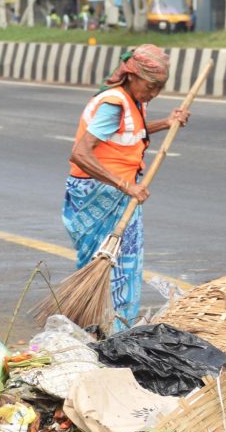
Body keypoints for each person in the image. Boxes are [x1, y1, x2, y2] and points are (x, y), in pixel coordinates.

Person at [64, 45, 189, 331]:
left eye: (160, 87)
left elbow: (130, 132)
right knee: (109, 265)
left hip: (119, 191)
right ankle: (104, 329)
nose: (154, 93)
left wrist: (167, 123)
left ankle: (113, 330)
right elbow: (80, 153)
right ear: (132, 76)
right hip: (97, 192)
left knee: (124, 266)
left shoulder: (134, 100)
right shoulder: (113, 103)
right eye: (150, 86)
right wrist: (125, 186)